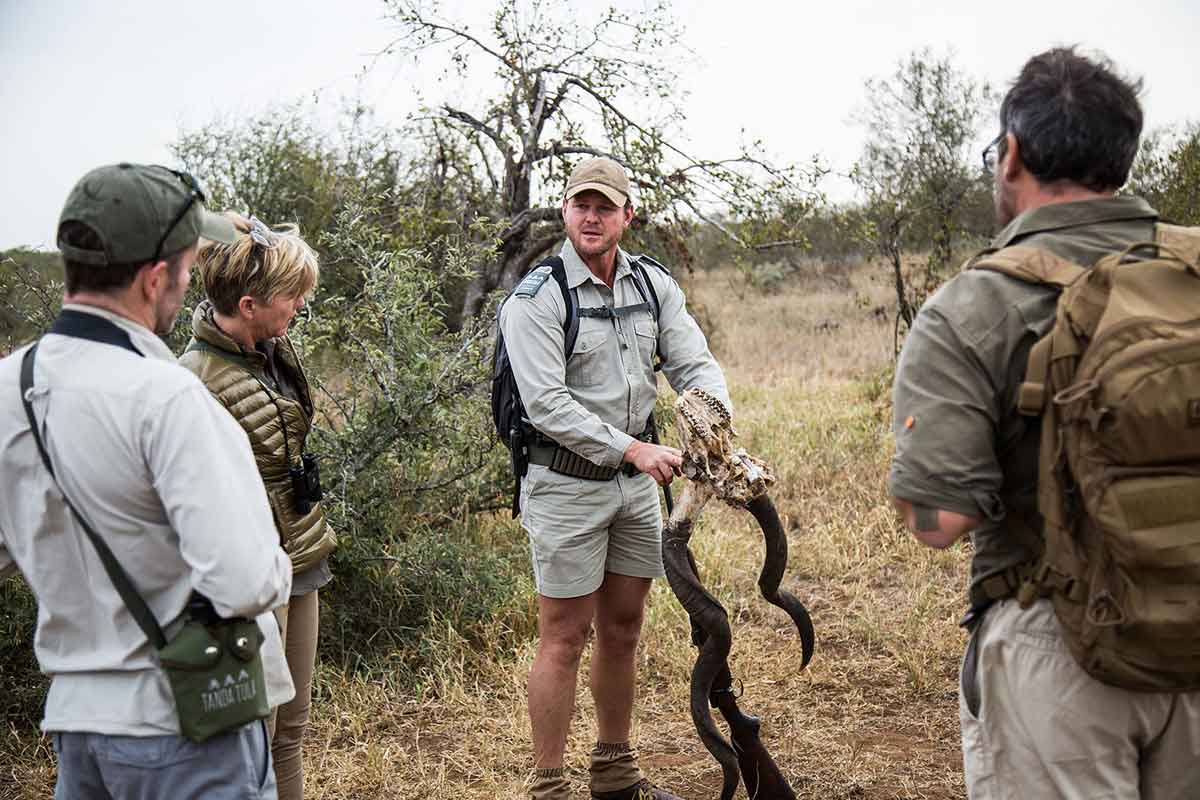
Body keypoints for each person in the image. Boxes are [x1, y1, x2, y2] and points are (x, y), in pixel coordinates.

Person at [889, 48, 1200, 798]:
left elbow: (939, 521)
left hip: (1057, 641)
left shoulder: (973, 306)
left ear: (1012, 156)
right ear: (1123, 159)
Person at [0, 163, 295, 799]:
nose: (188, 285)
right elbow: (245, 581)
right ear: (154, 278)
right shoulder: (168, 397)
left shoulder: (8, 389)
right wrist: (281, 569)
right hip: (187, 725)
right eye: (186, 269)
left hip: (76, 726)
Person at [500, 157, 731, 800]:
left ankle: (615, 773)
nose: (591, 217)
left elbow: (694, 362)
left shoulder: (653, 286)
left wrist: (714, 423)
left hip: (634, 490)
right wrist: (633, 449)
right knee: (564, 636)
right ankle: (549, 785)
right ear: (566, 212)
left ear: (628, 215)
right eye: (580, 205)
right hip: (565, 486)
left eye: (605, 206)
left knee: (624, 628)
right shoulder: (538, 297)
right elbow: (545, 404)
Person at [177, 213, 336, 800]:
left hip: (301, 548)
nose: (299, 306)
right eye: (292, 297)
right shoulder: (191, 381)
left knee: (292, 724)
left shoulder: (272, 349)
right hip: (244, 571)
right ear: (248, 305)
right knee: (250, 729)